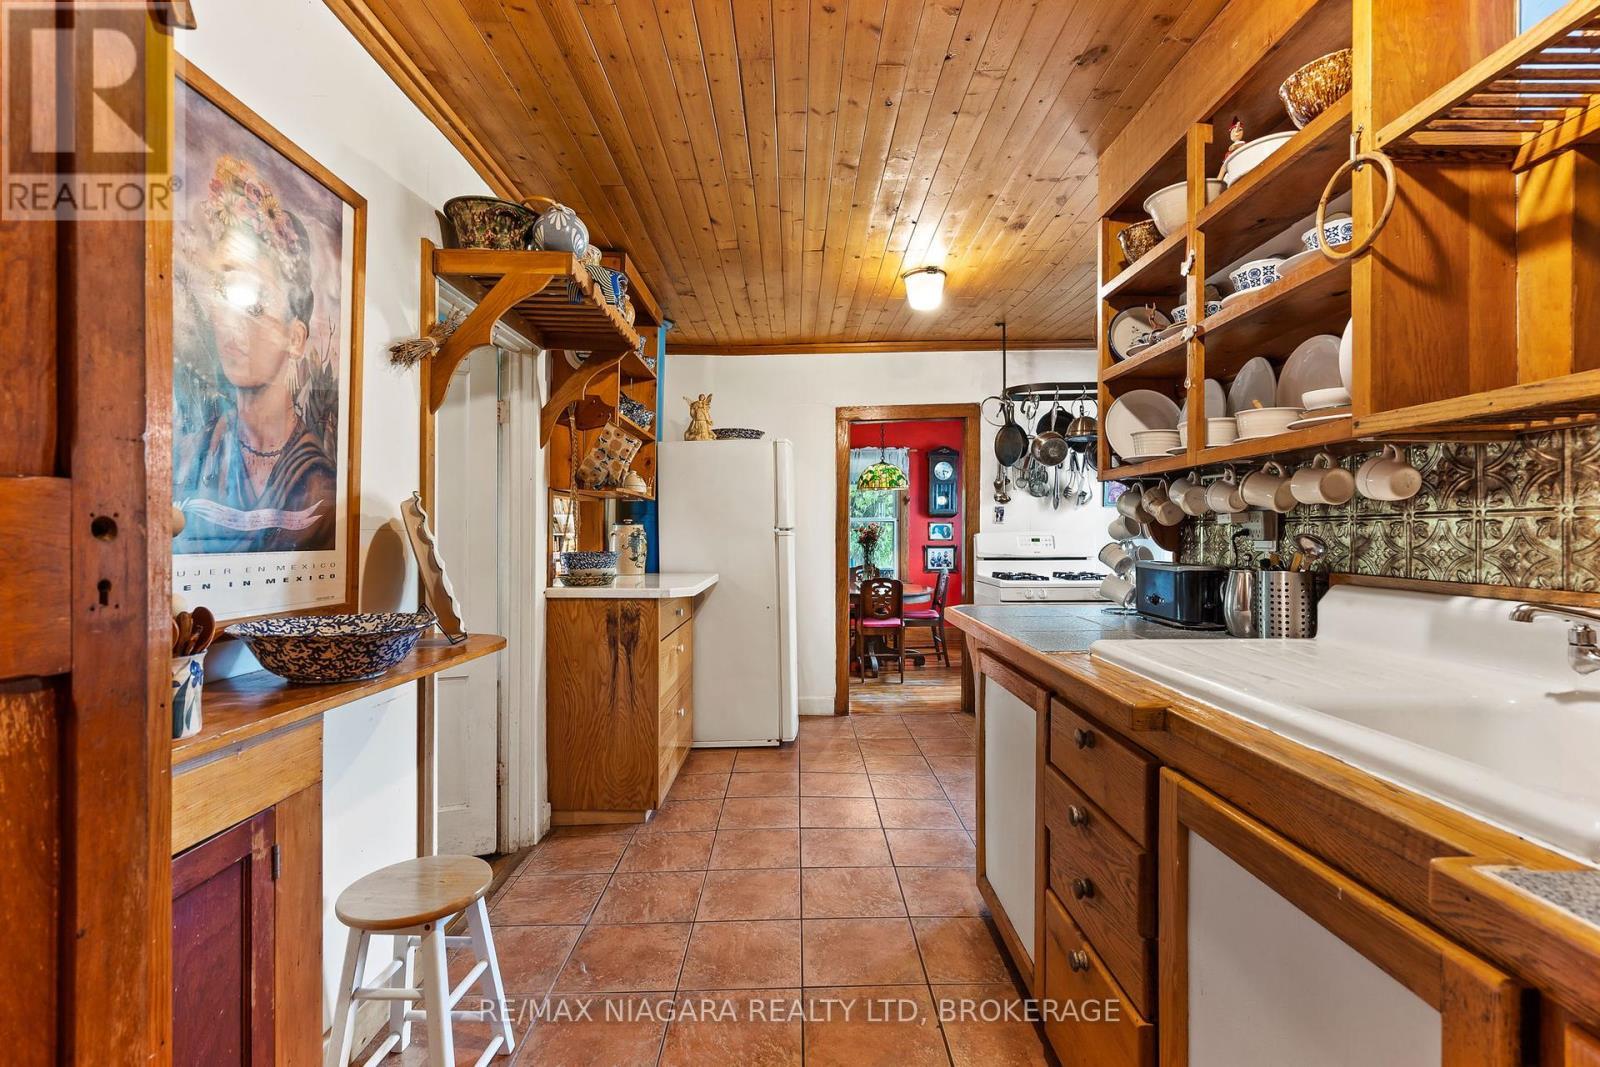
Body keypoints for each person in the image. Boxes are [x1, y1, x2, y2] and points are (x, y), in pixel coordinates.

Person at [173, 154, 338, 554]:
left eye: (256, 304)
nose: (233, 323)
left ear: (296, 338)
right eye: (224, 295)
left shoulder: (317, 480)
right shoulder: (191, 454)